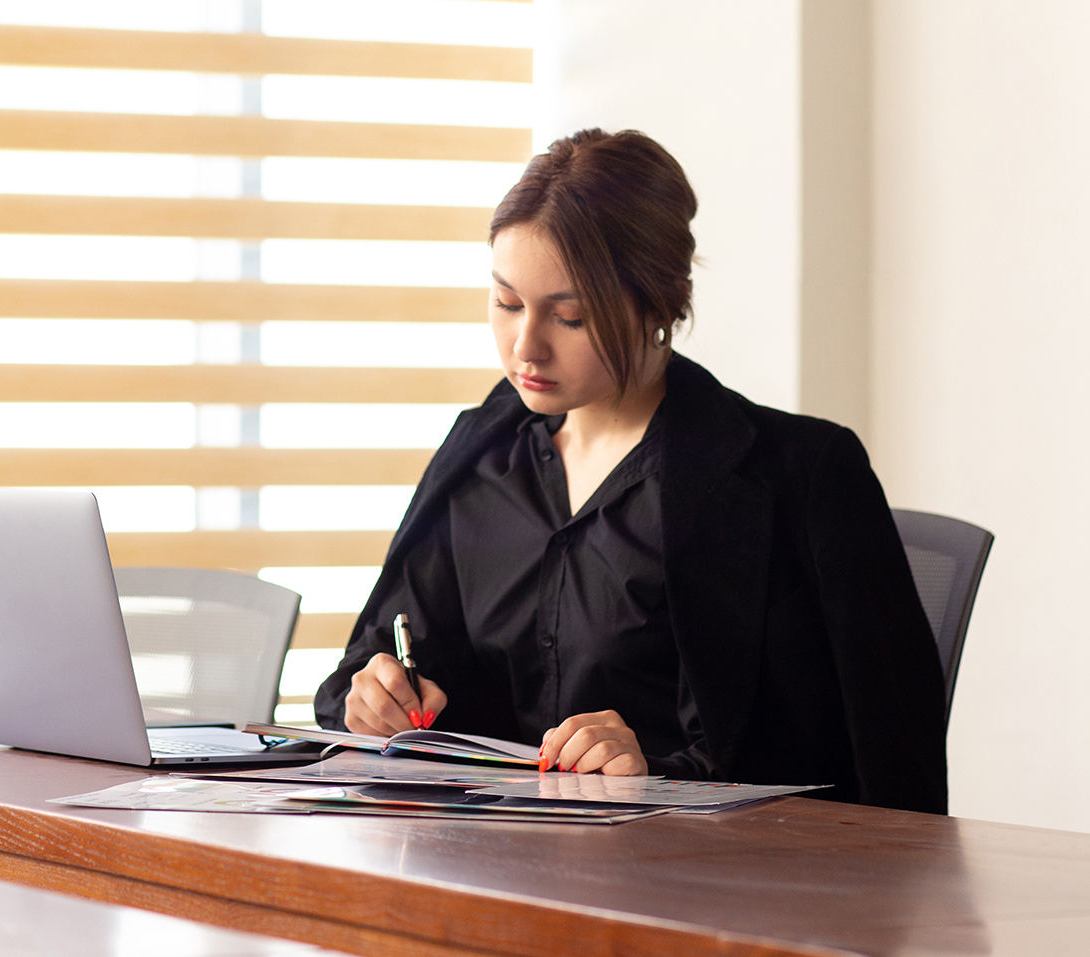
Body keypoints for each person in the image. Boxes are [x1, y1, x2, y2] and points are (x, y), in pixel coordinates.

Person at [313, 128, 948, 814]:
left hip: (707, 886)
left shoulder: (801, 473)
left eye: (571, 316)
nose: (526, 344)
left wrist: (654, 769)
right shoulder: (480, 453)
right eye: (505, 302)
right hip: (489, 866)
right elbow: (391, 648)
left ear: (661, 302)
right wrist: (375, 693)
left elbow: (873, 767)